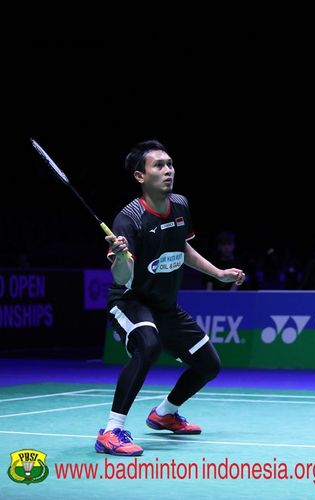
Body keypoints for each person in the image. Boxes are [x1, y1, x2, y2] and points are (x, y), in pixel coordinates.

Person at [96, 140, 245, 456]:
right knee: (147, 345)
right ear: (140, 176)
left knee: (209, 365)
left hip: (164, 304)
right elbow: (122, 276)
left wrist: (218, 273)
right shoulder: (129, 218)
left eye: (170, 164)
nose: (168, 171)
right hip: (130, 301)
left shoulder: (180, 205)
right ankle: (111, 430)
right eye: (159, 166)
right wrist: (120, 256)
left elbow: (182, 248)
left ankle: (164, 414)